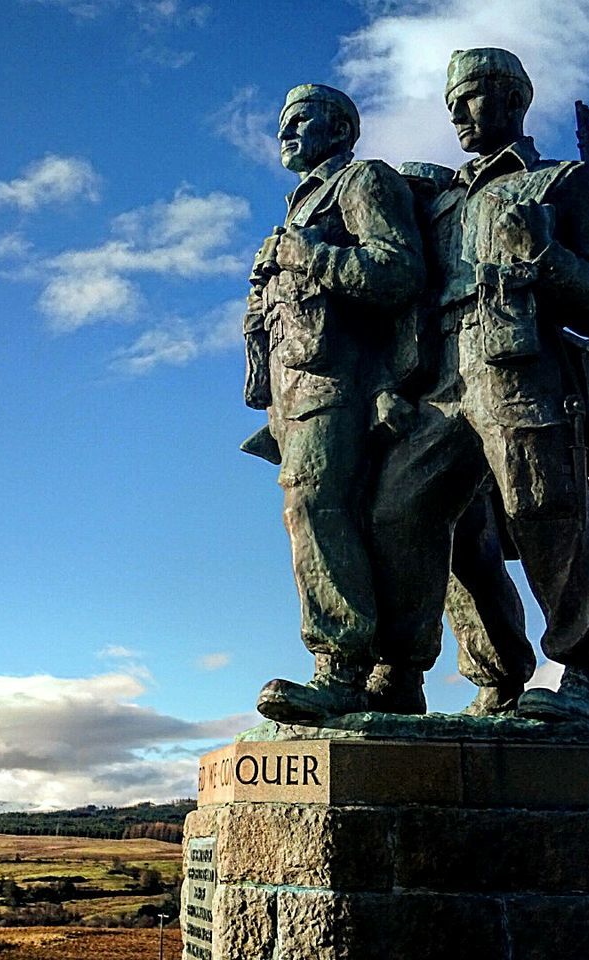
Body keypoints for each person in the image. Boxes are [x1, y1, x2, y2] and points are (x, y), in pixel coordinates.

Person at [368, 48, 589, 724]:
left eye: (474, 94)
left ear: (514, 99)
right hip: (441, 380)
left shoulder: (566, 182)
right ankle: (460, 675)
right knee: (402, 513)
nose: (457, 111)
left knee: (548, 513)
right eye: (451, 99)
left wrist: (546, 257)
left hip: (521, 372)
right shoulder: (440, 202)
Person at [242, 83, 424, 725]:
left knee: (315, 504)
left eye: (301, 120)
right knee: (322, 513)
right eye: (281, 123)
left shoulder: (361, 181)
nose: (286, 133)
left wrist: (309, 255)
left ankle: (341, 665)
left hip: (341, 380)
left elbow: (397, 271)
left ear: (341, 127)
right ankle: (383, 674)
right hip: (291, 392)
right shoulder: (296, 209)